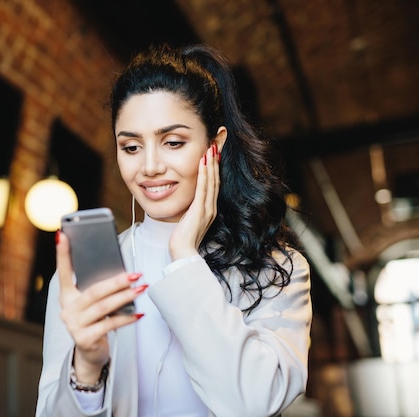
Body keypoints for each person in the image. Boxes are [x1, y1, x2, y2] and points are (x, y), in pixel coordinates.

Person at [35, 43, 312, 417]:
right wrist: (86, 367)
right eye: (131, 147)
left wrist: (183, 256)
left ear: (215, 145)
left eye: (173, 142)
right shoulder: (86, 274)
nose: (149, 167)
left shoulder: (278, 267)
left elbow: (252, 403)